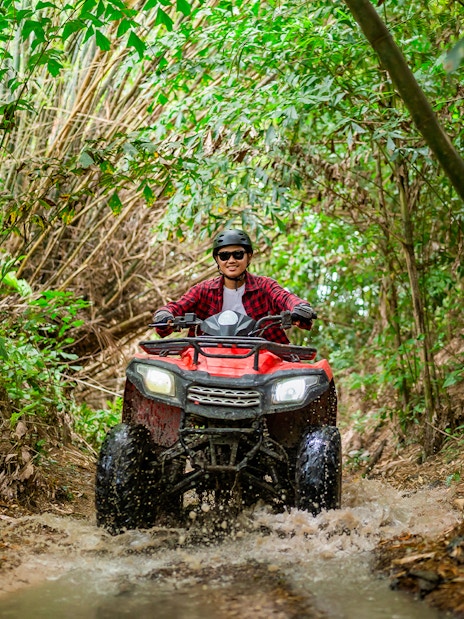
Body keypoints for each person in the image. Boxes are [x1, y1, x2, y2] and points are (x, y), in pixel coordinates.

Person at [152, 229, 315, 344]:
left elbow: (285, 298)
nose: (231, 260)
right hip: (207, 358)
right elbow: (177, 306)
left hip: (263, 359)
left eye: (238, 254)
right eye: (224, 255)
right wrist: (164, 315)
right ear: (217, 259)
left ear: (249, 256)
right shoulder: (203, 290)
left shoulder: (264, 286)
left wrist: (300, 308)